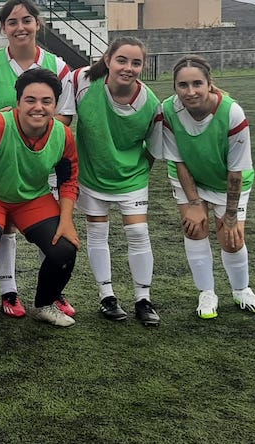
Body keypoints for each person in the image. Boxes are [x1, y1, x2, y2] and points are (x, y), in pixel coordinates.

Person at [0, 0, 75, 319]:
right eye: (12, 22)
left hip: (39, 162)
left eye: (26, 20)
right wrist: (11, 129)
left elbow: (64, 115)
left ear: (37, 23)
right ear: (3, 28)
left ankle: (50, 296)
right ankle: (7, 290)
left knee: (54, 234)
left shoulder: (59, 66)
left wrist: (36, 134)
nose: (20, 27)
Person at [0, 68, 80, 338]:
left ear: (55, 105)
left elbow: (69, 180)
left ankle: (45, 304)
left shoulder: (63, 134)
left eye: (46, 101)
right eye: (30, 100)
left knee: (65, 247)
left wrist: (66, 222)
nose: (38, 107)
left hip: (32, 198)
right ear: (19, 102)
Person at [162, 55, 255, 319]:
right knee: (195, 229)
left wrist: (231, 217)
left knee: (232, 240)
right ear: (175, 87)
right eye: (182, 85)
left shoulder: (232, 112)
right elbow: (178, 160)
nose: (190, 91)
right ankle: (206, 292)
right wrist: (196, 203)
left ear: (210, 84)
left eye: (197, 83)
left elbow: (235, 172)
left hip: (228, 181)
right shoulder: (168, 110)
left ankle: (242, 290)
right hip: (190, 177)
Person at [72, 37, 162, 325]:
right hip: (91, 175)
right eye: (122, 60)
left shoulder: (151, 103)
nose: (128, 68)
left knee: (138, 233)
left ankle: (143, 299)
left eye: (136, 63)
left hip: (131, 179)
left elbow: (155, 150)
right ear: (107, 59)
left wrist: (135, 173)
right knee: (97, 233)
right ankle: (107, 297)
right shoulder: (83, 82)